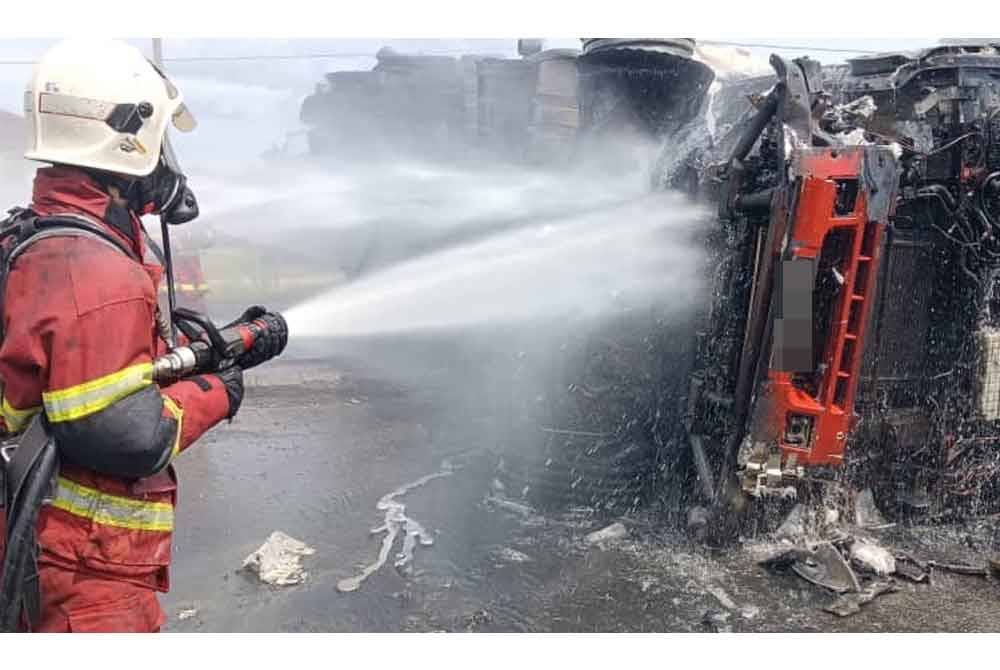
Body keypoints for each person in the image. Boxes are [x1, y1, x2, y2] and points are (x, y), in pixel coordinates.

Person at [0, 39, 246, 632]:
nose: (166, 158)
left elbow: (73, 380)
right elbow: (122, 434)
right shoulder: (96, 270)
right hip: (83, 573)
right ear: (126, 135)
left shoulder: (36, 238)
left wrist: (178, 360)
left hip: (39, 548)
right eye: (161, 138)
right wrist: (219, 391)